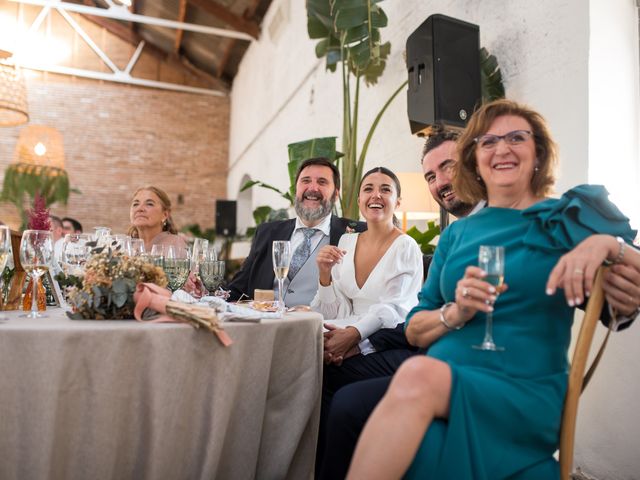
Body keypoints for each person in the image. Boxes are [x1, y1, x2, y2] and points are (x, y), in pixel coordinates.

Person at [317, 126, 640, 480]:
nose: (440, 182)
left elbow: (613, 297)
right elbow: (416, 322)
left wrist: (612, 256)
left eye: (449, 167)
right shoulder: (452, 238)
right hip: (441, 363)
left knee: (350, 403)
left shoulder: (535, 224)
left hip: (498, 380)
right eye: (430, 175)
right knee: (348, 392)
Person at [312, 167, 423, 473]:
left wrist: (353, 337)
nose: (376, 195)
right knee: (308, 370)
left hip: (389, 344)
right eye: (368, 189)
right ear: (358, 199)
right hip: (347, 336)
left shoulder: (406, 246)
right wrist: (324, 278)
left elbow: (393, 309)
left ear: (397, 201)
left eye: (385, 189)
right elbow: (336, 311)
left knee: (324, 378)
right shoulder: (346, 243)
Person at [227, 157, 365, 306]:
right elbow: (237, 289)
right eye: (306, 181)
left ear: (336, 194)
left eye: (322, 182)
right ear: (296, 189)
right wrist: (207, 291)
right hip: (266, 325)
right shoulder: (266, 232)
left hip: (320, 326)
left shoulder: (357, 233)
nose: (313, 188)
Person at [127, 186, 187, 252]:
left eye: (149, 204)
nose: (140, 209)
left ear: (165, 214)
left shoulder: (175, 244)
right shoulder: (126, 247)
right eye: (135, 204)